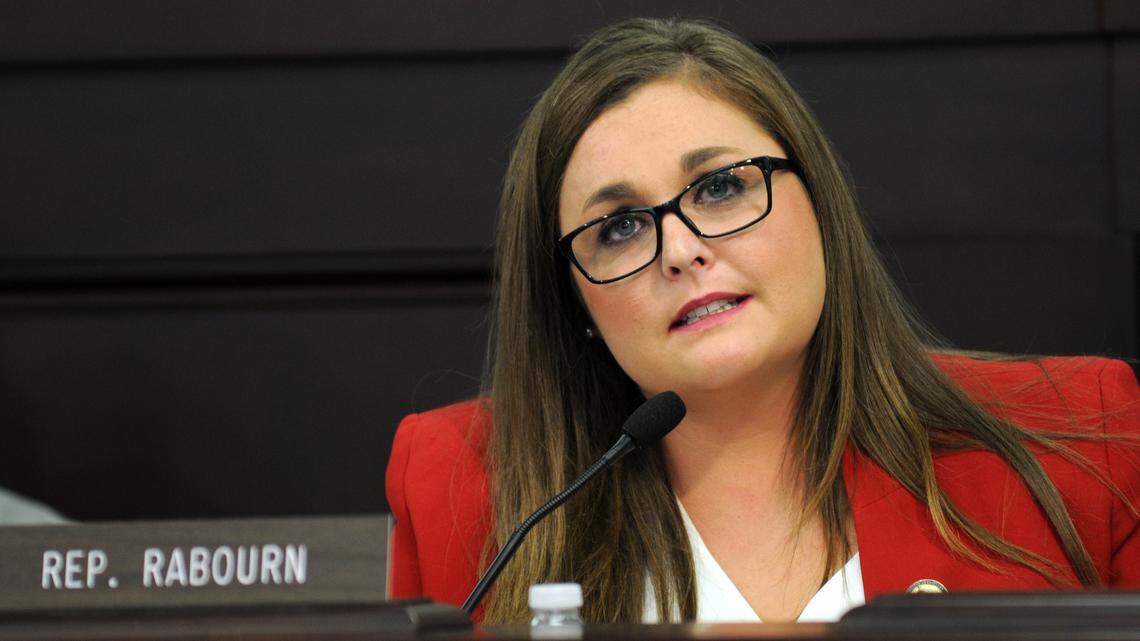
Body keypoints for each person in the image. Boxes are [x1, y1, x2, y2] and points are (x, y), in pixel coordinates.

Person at [385, 17, 1140, 624]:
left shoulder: (1080, 442)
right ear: (572, 297)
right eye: (617, 228)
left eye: (718, 187)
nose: (678, 251)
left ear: (821, 205)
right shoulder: (463, 488)